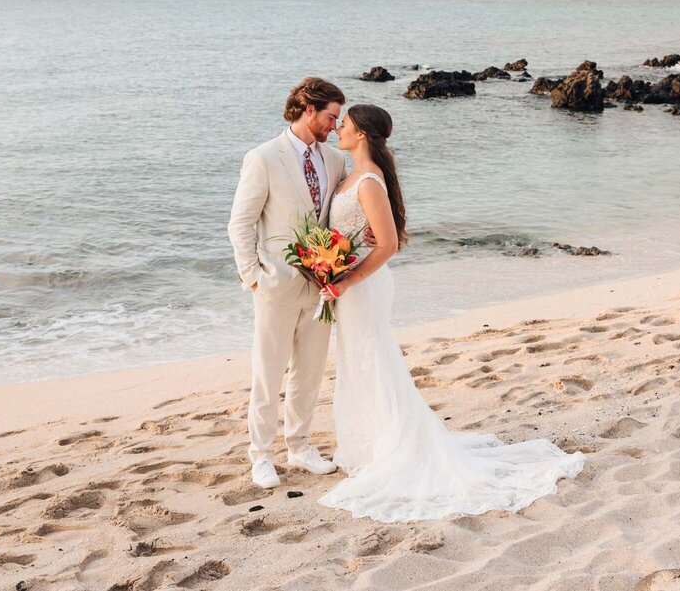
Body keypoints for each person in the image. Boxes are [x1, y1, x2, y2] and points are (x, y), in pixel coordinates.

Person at [317, 104, 587, 522]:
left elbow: (387, 245)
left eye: (345, 126)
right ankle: (368, 445)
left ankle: (390, 446)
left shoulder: (368, 182)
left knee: (373, 359)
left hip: (363, 286)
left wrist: (347, 279)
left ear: (363, 135)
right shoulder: (349, 176)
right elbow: (354, 233)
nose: (339, 130)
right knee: (356, 361)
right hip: (349, 283)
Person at [227, 77, 348, 489]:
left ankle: (299, 446)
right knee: (269, 372)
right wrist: (254, 278)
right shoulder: (263, 158)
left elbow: (332, 219)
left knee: (310, 372)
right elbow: (241, 223)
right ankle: (260, 455)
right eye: (331, 117)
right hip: (275, 286)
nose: (335, 125)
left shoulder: (334, 161)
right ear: (308, 109)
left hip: (320, 286)